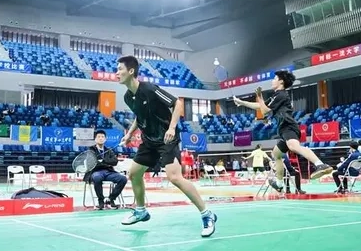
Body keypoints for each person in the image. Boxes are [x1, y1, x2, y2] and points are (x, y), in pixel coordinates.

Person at [115, 55, 217, 237]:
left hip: (166, 139)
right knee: (134, 173)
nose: (116, 73)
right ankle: (141, 211)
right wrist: (130, 134)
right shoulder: (128, 97)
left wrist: (171, 127)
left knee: (175, 177)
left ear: (131, 71)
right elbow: (140, 116)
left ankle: (206, 214)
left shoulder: (149, 89)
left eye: (119, 69)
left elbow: (177, 103)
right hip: (149, 141)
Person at [233, 70, 332, 183]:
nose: (272, 81)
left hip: (288, 126)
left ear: (281, 81)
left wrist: (259, 96)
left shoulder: (281, 95)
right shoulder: (276, 96)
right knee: (276, 154)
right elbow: (260, 106)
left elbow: (265, 111)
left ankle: (320, 164)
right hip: (283, 129)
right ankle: (279, 183)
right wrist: (241, 102)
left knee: (294, 146)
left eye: (275, 78)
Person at [83, 130, 128, 209]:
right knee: (97, 177)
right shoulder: (91, 150)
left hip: (108, 172)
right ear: (95, 139)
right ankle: (101, 200)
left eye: (102, 137)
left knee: (123, 179)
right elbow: (91, 163)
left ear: (105, 139)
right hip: (95, 172)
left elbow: (115, 161)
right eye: (99, 137)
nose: (101, 138)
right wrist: (107, 163)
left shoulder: (108, 150)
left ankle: (111, 199)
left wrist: (102, 161)